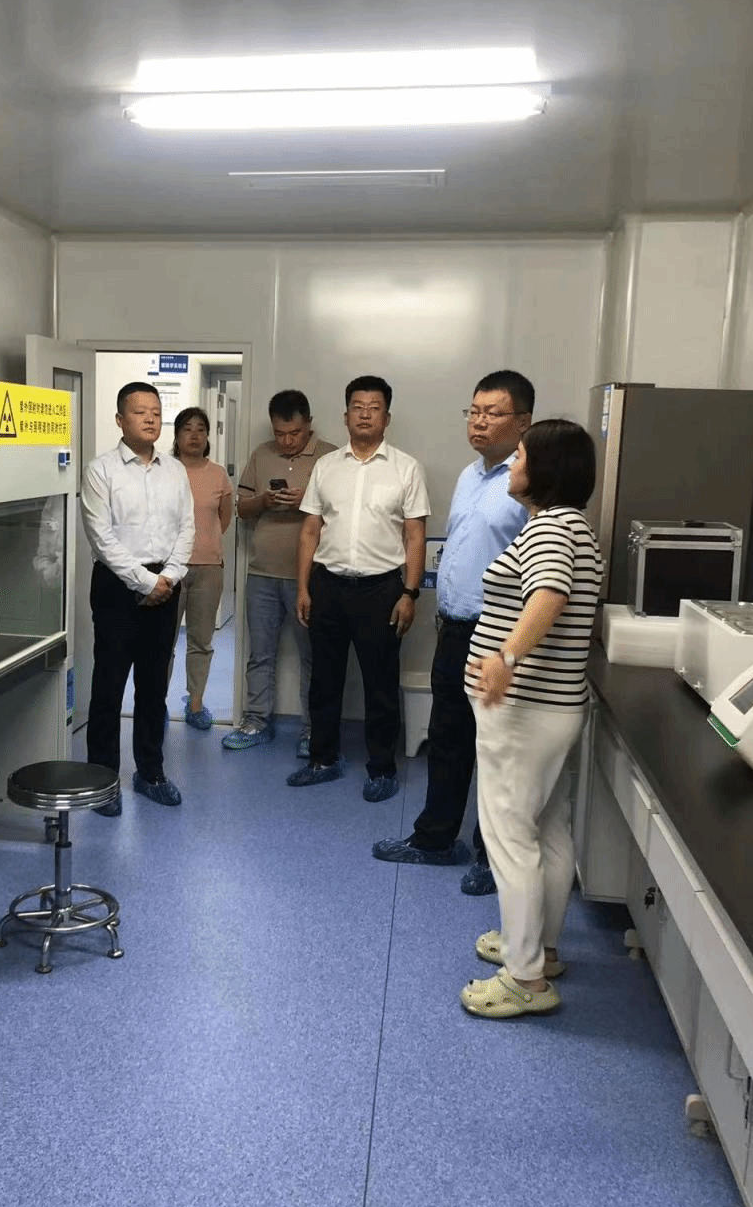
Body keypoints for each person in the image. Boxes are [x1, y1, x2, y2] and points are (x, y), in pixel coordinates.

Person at [459, 419, 602, 1018]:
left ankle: (525, 979)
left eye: (519, 456)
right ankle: (541, 948)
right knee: (548, 829)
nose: (512, 466)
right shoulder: (575, 526)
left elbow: (549, 594)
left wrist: (505, 658)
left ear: (543, 470)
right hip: (554, 708)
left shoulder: (548, 528)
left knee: (510, 837)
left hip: (524, 710)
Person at [372, 371, 534, 894]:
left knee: (497, 751)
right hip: (455, 629)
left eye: (492, 413)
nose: (478, 422)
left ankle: (492, 858)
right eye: (474, 411)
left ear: (523, 422)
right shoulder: (470, 475)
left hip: (499, 637)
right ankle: (436, 838)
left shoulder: (529, 482)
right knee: (447, 738)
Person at [289, 376, 429, 802]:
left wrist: (410, 593)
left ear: (387, 417)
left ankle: (382, 768)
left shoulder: (406, 468)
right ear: (345, 414)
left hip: (381, 591)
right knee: (324, 680)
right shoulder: (326, 467)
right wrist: (303, 587)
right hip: (328, 586)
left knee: (380, 684)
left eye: (374, 407)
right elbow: (310, 531)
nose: (365, 414)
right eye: (357, 406)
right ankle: (323, 759)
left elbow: (415, 537)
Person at [80, 382, 194, 814]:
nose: (150, 419)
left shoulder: (175, 470)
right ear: (120, 420)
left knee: (153, 687)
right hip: (117, 587)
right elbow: (101, 536)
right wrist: (145, 583)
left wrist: (169, 577)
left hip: (166, 584)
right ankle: (101, 780)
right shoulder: (101, 470)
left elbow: (187, 528)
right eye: (140, 411)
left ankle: (150, 773)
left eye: (156, 412)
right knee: (108, 688)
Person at [223, 391, 335, 757]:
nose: (286, 441)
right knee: (260, 654)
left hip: (312, 576)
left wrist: (308, 501)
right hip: (262, 574)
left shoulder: (331, 457)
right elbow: (241, 508)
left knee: (314, 657)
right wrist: (264, 501)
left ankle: (313, 729)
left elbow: (345, 515)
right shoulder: (261, 454)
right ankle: (256, 720)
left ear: (309, 425)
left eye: (295, 433)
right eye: (279, 433)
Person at [169, 407, 233, 730]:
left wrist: (203, 543)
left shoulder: (218, 474)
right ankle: (154, 704)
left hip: (208, 568)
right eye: (187, 428)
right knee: (162, 642)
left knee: (201, 641)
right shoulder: (164, 470)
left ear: (208, 436)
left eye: (200, 429)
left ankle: (195, 704)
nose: (194, 435)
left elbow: (224, 518)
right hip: (169, 570)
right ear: (177, 435)